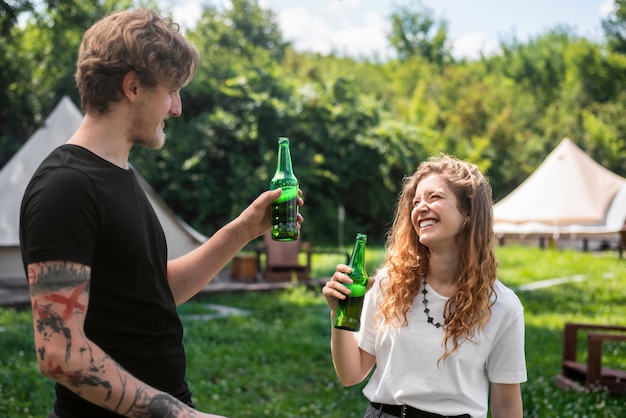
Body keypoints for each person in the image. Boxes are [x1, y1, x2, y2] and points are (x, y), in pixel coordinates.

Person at [19, 9, 303, 418]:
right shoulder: (67, 186)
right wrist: (179, 415)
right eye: (172, 90)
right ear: (133, 86)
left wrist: (243, 229)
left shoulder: (119, 175)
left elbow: (151, 296)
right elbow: (61, 353)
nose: (177, 108)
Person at [322, 154, 526, 418]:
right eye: (416, 201)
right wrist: (338, 315)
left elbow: (507, 405)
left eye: (435, 197)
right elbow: (351, 374)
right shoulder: (389, 284)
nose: (420, 208)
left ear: (468, 212)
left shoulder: (502, 306)